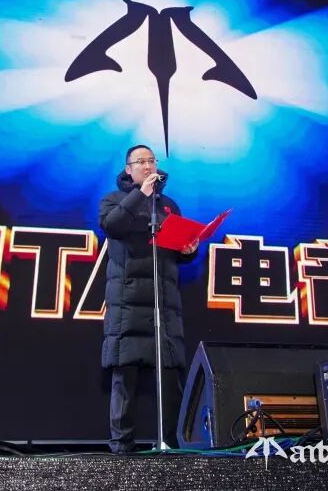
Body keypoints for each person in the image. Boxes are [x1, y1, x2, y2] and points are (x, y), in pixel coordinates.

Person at [99, 144, 198, 453]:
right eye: (140, 161)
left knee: (169, 377)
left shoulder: (168, 205)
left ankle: (170, 443)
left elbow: (176, 250)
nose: (147, 165)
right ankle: (121, 446)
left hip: (163, 303)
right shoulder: (114, 200)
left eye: (151, 160)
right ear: (128, 169)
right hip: (127, 301)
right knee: (125, 375)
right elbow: (113, 226)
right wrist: (140, 194)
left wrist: (188, 249)